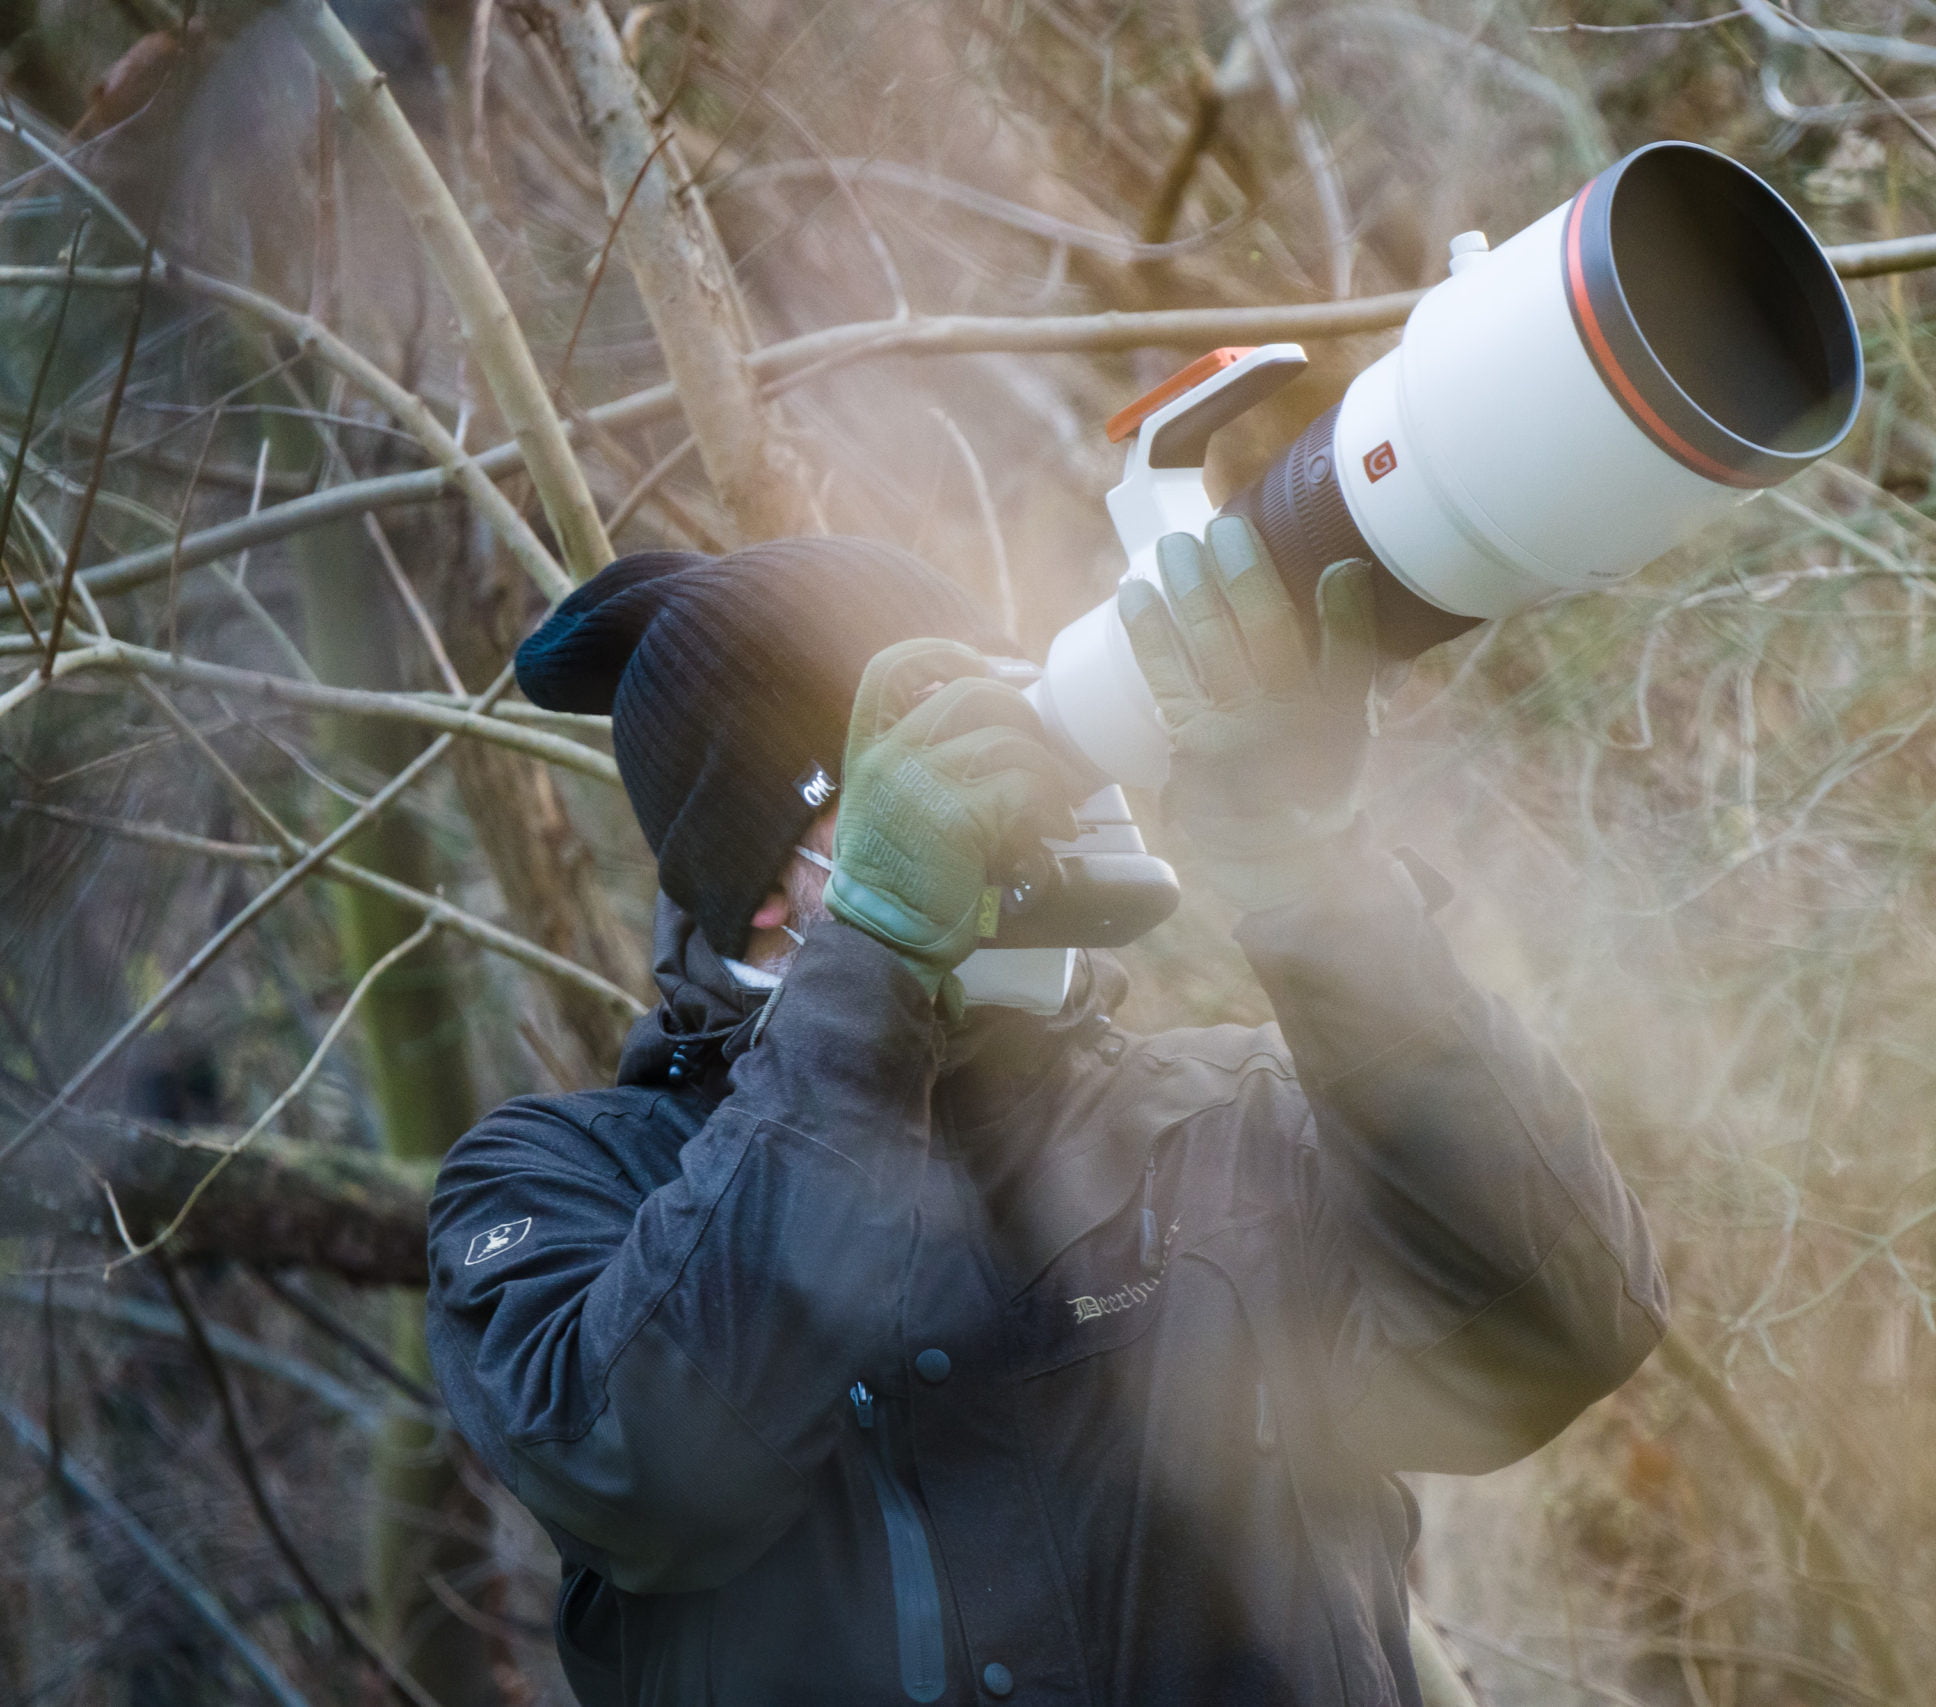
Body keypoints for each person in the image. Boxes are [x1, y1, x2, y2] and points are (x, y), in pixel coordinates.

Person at [425, 519, 1667, 1706]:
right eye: (933, 770)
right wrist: (877, 962)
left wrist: (1319, 885)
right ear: (767, 889)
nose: (1019, 796)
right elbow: (648, 1468)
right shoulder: (565, 1184)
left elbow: (1559, 1326)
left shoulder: (1227, 1122)